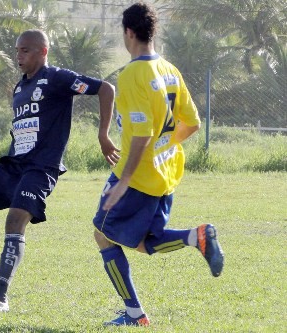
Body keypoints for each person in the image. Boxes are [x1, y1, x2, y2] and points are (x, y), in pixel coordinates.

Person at [0, 29, 119, 312]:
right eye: (17, 50)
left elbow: (106, 89)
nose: (18, 56)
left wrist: (103, 135)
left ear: (43, 52)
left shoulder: (58, 78)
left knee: (14, 221)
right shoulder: (20, 87)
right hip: (13, 167)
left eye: (25, 50)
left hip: (40, 169)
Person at [92, 2, 224, 327]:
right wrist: (164, 146)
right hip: (166, 174)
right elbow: (192, 124)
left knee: (102, 233)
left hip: (137, 178)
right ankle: (198, 237)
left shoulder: (133, 73)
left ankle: (134, 315)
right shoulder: (169, 70)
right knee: (145, 243)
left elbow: (141, 134)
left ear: (129, 32)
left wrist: (123, 180)